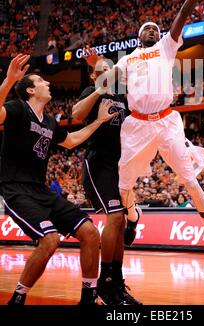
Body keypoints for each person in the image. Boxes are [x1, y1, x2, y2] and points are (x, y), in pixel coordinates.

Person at [95, 0, 204, 258]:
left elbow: (184, 11)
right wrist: (97, 70)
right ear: (138, 36)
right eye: (147, 29)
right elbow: (106, 81)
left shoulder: (166, 47)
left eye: (156, 29)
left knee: (188, 177)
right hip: (137, 124)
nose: (153, 31)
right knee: (123, 185)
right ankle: (133, 218)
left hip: (167, 121)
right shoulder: (128, 59)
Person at [0, 54, 117, 305]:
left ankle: (88, 296)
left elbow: (72, 141)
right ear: (31, 90)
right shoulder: (18, 108)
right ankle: (18, 297)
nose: (48, 84)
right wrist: (9, 81)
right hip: (16, 190)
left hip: (41, 191)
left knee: (90, 233)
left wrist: (98, 121)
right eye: (42, 81)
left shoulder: (51, 122)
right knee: (50, 239)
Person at [72, 55, 141, 306]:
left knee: (120, 221)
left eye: (110, 70)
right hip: (97, 163)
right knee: (114, 217)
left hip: (118, 165)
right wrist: (100, 87)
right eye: (101, 70)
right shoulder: (93, 91)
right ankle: (104, 283)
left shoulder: (124, 98)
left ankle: (117, 284)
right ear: (94, 75)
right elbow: (77, 115)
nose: (107, 73)